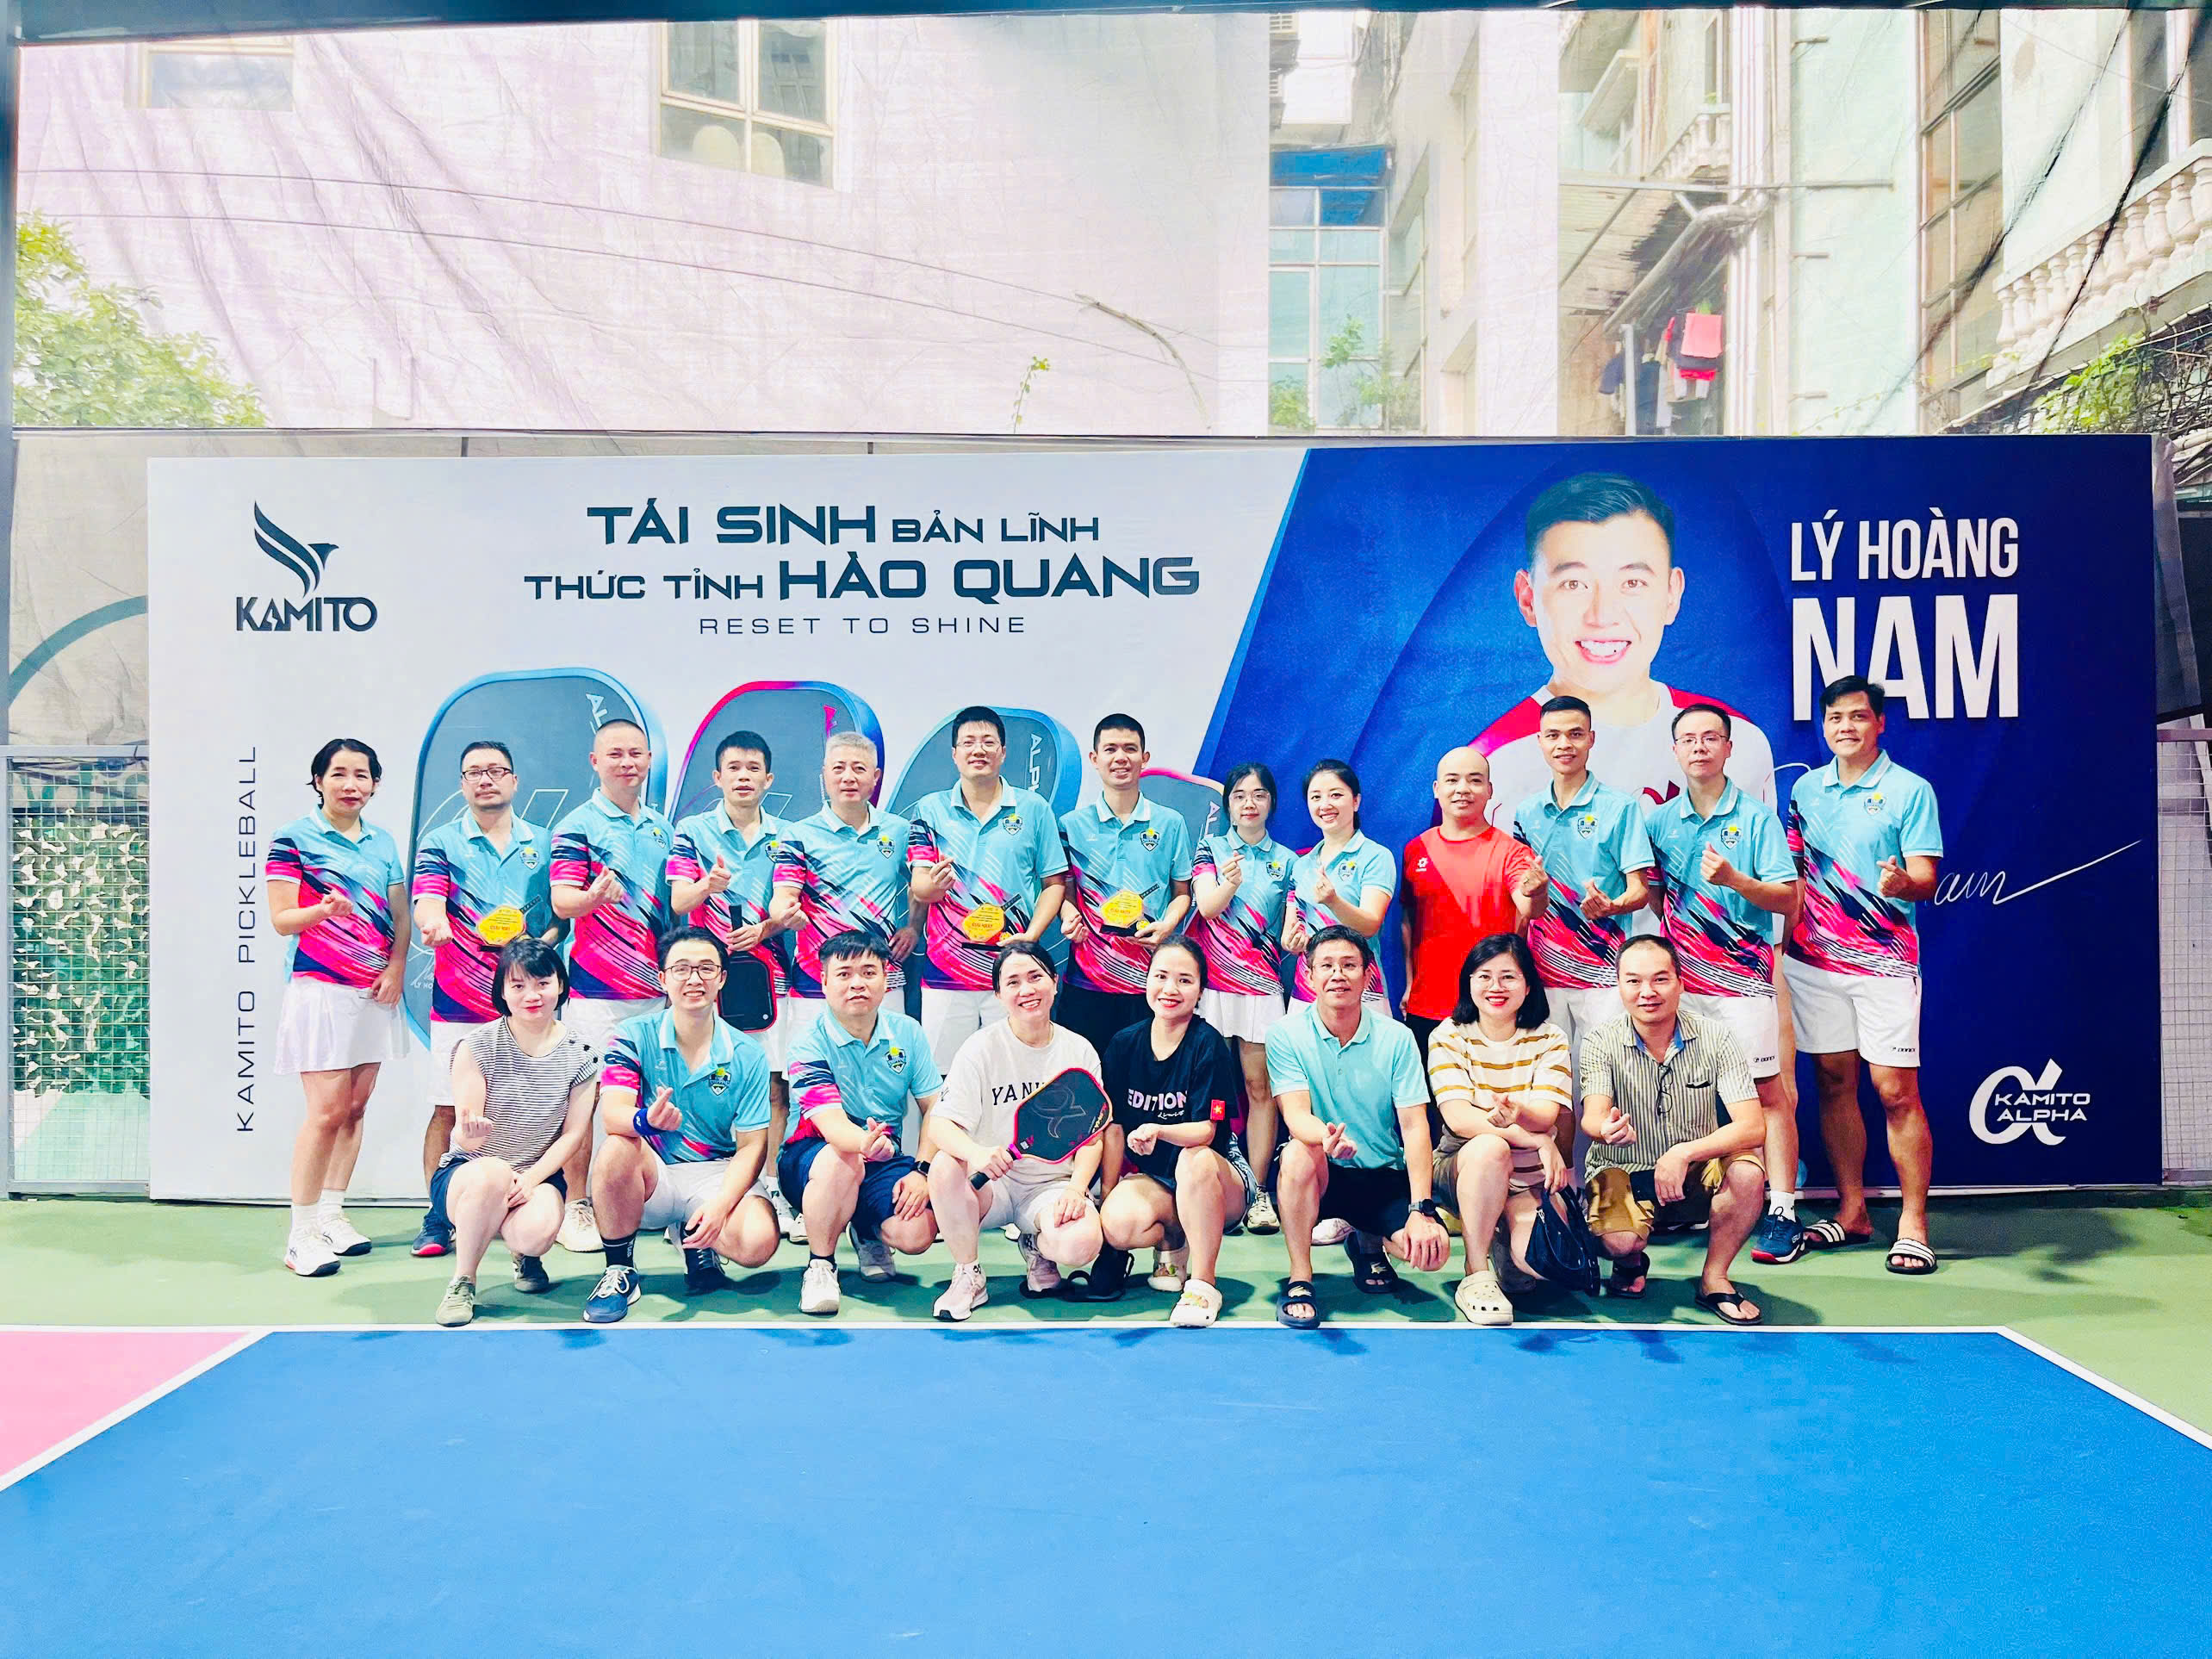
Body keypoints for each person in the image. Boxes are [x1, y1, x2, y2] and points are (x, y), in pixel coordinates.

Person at [1471, 470, 1778, 818]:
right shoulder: (1489, 766)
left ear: (1672, 594)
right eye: (1574, 584)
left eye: (1633, 582)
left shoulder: (1738, 741)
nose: (1603, 615)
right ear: (1528, 599)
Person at [1783, 675, 1944, 1276]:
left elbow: (1926, 878)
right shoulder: (1805, 791)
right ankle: (1852, 1212)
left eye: (1857, 716)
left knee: (1896, 1091)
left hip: (1884, 964)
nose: (1845, 727)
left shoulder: (1910, 790)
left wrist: (1903, 883)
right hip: (1813, 965)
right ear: (1823, 726)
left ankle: (1914, 1225)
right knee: (1832, 1083)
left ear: (1879, 723)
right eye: (1835, 718)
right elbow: (1793, 876)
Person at [1648, 703, 1806, 1266]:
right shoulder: (1660, 822)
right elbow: (1655, 896)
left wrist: (1735, 879)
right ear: (1675, 750)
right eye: (1688, 739)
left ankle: (1783, 1210)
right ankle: (1684, 1201)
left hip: (1743, 986)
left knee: (1766, 1094)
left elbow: (1787, 899)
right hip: (1683, 989)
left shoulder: (1758, 820)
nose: (1699, 747)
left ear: (1728, 748)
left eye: (1710, 738)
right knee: (1678, 1093)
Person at [407, 740, 559, 1258]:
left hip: (528, 1006)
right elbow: (428, 901)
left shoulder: (545, 842)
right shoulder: (441, 842)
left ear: (514, 781)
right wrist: (433, 924)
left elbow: (559, 920)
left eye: (496, 771)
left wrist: (535, 948)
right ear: (462, 784)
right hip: (459, 1000)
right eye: (474, 772)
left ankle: (524, 1215)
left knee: (533, 1114)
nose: (485, 779)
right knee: (449, 1109)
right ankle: (437, 1216)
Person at [581, 927, 778, 1323]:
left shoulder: (748, 1053)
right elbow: (612, 1114)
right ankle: (619, 1269)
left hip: (713, 1174)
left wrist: (721, 1206)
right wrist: (645, 1120)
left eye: (706, 968)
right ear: (663, 978)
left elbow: (752, 1146)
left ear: (722, 978)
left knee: (758, 1243)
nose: (694, 979)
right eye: (682, 969)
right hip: (654, 1174)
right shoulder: (632, 1036)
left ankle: (694, 1236)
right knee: (617, 1146)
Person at [267, 738, 411, 1277]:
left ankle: (331, 1214)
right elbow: (282, 919)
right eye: (339, 774)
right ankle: (300, 1234)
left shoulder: (382, 841)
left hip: (374, 991)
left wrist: (396, 968)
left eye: (362, 775)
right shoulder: (293, 839)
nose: (351, 785)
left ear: (375, 784)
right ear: (318, 781)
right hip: (321, 990)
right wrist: (321, 911)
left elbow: (400, 915)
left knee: (354, 1108)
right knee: (326, 1112)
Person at [1264, 927, 1451, 1329]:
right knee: (1296, 1153)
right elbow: (1296, 1115)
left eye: (1349, 965)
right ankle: (1300, 1278)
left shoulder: (1398, 1038)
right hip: (1322, 1173)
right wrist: (1326, 1139)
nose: (1338, 975)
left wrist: (1422, 1210)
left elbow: (1415, 1127)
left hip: (1380, 1174)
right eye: (1327, 966)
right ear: (1309, 975)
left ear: (1368, 975)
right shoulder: (1284, 1035)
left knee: (1430, 1254)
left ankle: (1367, 1238)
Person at [1579, 935, 1767, 1323]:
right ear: (1619, 986)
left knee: (1748, 1172)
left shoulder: (1717, 1038)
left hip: (1694, 1171)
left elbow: (1752, 1127)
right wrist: (1605, 1128)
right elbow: (1591, 1117)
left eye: (1660, 979)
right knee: (1619, 1242)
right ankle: (1629, 1262)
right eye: (1633, 981)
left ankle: (1714, 1279)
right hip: (1623, 1169)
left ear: (1681, 983)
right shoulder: (1600, 1041)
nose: (1647, 992)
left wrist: (1683, 1153)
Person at [668, 729, 804, 1242]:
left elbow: (791, 905)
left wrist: (766, 929)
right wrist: (707, 885)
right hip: (704, 980)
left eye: (753, 769)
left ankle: (769, 1185)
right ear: (717, 777)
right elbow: (680, 902)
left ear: (768, 779)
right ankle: (692, 1191)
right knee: (700, 1082)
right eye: (734, 768)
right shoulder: (692, 832)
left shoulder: (788, 835)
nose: (743, 777)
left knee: (772, 1085)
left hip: (771, 977)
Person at [924, 942, 1105, 1321]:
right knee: (943, 1166)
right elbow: (940, 1124)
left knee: (1080, 1245)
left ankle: (1037, 1243)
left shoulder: (1080, 1051)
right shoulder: (979, 1049)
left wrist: (1077, 1188)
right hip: (991, 1186)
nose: (1027, 990)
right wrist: (976, 1153)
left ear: (1055, 982)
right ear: (998, 994)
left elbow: (1092, 1136)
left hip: (1051, 1186)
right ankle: (969, 1274)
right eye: (1013, 982)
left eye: (1036, 977)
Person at [550, 717, 675, 1254]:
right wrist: (592, 899)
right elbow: (562, 903)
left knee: (658, 1098)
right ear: (595, 762)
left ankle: (663, 1201)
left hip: (656, 992)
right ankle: (578, 1204)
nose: (628, 763)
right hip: (596, 996)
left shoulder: (662, 829)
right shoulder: (576, 826)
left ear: (648, 761)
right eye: (616, 754)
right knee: (588, 1101)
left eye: (636, 754)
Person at [431, 938, 599, 1327]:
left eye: (542, 983)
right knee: (492, 1173)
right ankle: (463, 1281)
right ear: (503, 992)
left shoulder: (582, 1052)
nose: (531, 995)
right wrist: (472, 1134)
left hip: (535, 1175)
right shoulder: (476, 1045)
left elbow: (573, 1135)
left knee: (536, 1234)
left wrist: (532, 1179)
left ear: (560, 985)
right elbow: (464, 1136)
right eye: (518, 985)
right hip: (468, 1174)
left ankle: (524, 1255)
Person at [779, 931, 944, 1316]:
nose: (857, 983)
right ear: (824, 982)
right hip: (811, 1158)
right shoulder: (807, 1043)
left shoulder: (908, 1032)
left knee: (916, 1234)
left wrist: (922, 1170)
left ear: (886, 978)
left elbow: (936, 1107)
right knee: (843, 1160)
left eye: (869, 972)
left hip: (883, 1155)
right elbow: (833, 1126)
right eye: (844, 974)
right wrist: (866, 1144)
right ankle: (821, 1265)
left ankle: (866, 1227)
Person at [905, 705, 1070, 1072]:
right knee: (944, 1078)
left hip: (1014, 970)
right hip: (946, 972)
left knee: (1016, 1075)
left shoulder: (1034, 809)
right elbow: (920, 887)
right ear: (954, 754)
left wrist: (1031, 936)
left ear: (1003, 752)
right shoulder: (930, 810)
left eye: (988, 742)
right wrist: (934, 885)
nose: (978, 750)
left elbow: (1054, 884)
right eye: (968, 742)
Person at [1095, 939, 1250, 1327]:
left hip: (1218, 1177)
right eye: (1161, 976)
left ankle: (1203, 1284)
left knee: (1194, 1161)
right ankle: (1175, 1237)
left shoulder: (1208, 1044)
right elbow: (1114, 1126)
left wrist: (1159, 1130)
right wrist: (1108, 1193)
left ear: (1200, 990)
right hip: (1159, 1180)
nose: (1170, 989)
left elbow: (1206, 1131)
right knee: (1118, 1226)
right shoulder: (1124, 1044)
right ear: (1146, 979)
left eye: (1184, 980)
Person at [1511, 696, 1654, 1109]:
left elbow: (1640, 890)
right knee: (1548, 1086)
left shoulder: (1620, 807)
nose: (1564, 745)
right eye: (1553, 735)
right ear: (1539, 741)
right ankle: (1557, 1156)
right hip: (1542, 972)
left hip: (1604, 974)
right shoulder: (1527, 812)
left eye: (1575, 734)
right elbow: (1523, 898)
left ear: (1591, 739)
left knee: (1604, 1083)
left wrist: (1613, 906)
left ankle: (1604, 1154)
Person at [1425, 934, 1573, 1326]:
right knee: (1491, 1147)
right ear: (1468, 982)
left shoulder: (1550, 1038)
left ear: (1528, 985)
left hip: (1527, 1178)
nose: (1496, 987)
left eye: (1508, 976)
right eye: (1484, 976)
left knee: (1541, 1266)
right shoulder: (1448, 1035)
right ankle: (1475, 1273)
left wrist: (1521, 1112)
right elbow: (1459, 1118)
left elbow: (1546, 1115)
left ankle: (1503, 1239)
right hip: (1462, 1167)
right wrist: (1531, 1138)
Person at [1188, 761, 1294, 1234]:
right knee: (1211, 1089)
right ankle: (1212, 1186)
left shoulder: (1287, 861)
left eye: (1259, 795)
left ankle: (1259, 1192)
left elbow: (1290, 928)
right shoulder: (1210, 849)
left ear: (1271, 802)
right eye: (1239, 795)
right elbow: (1208, 908)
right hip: (1212, 988)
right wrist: (1229, 881)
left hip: (1262, 988)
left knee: (1259, 1089)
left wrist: (1294, 939)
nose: (1249, 804)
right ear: (1228, 803)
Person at [1056, 713, 1195, 1055]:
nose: (1121, 757)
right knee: (1086, 1076)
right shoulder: (1071, 825)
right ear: (1095, 758)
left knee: (1145, 1077)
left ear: (1144, 758)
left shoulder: (1170, 823)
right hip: (1087, 979)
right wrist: (1068, 915)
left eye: (1130, 749)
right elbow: (1062, 891)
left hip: (1151, 983)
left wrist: (1168, 925)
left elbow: (1182, 894)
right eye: (1111, 749)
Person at [1400, 745, 1549, 1057]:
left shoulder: (1512, 852)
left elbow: (1529, 908)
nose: (1463, 789)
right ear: (1436, 789)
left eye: (1475, 780)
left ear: (1490, 790)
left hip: (1493, 1008)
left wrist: (1537, 893)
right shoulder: (1416, 850)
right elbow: (1408, 923)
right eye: (1452, 780)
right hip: (1427, 1006)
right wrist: (1411, 984)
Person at [769, 729, 917, 1036]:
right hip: (816, 979)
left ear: (875, 777)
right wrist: (785, 913)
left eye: (859, 768)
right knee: (812, 1066)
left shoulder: (899, 831)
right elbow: (783, 895)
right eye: (839, 768)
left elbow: (921, 884)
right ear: (825, 775)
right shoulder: (798, 835)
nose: (848, 777)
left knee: (889, 1063)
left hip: (883, 979)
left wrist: (914, 927)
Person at [1283, 760, 1395, 1007]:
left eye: (1335, 795)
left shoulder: (1376, 856)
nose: (1325, 805)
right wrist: (1292, 942)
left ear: (1356, 801)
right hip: (1307, 992)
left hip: (1361, 990)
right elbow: (1289, 934)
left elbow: (1370, 925)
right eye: (1316, 797)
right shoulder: (1301, 865)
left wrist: (1333, 902)